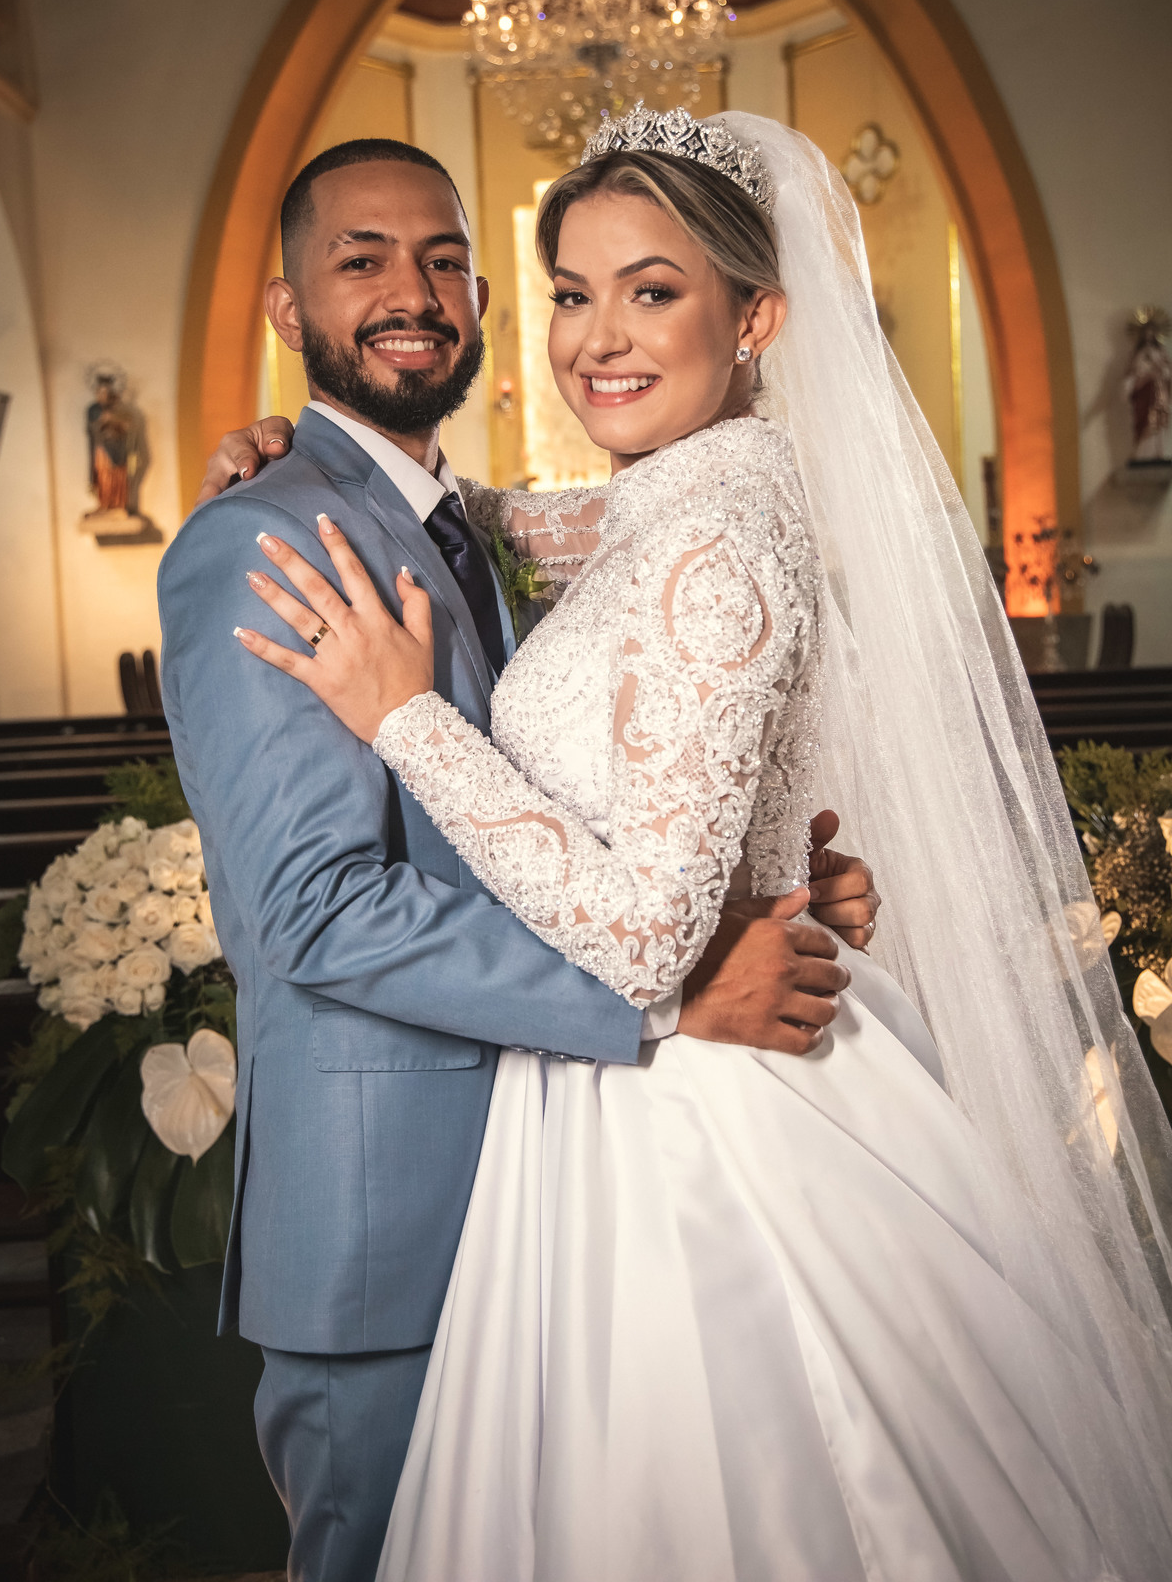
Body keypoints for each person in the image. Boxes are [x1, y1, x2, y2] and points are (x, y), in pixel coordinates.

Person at [234, 110, 1172, 1580]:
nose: (597, 337)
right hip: (644, 1092)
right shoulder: (687, 492)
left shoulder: (712, 540)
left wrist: (411, 720)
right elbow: (484, 521)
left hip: (699, 1132)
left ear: (760, 316)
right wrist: (310, 451)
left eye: (652, 290)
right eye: (570, 290)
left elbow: (651, 940)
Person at [159, 135, 879, 1582]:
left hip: (562, 1180)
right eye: (359, 261)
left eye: (443, 260)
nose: (409, 291)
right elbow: (309, 912)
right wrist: (670, 999)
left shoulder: (480, 529)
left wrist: (769, 883)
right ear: (290, 312)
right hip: (394, 1214)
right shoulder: (268, 543)